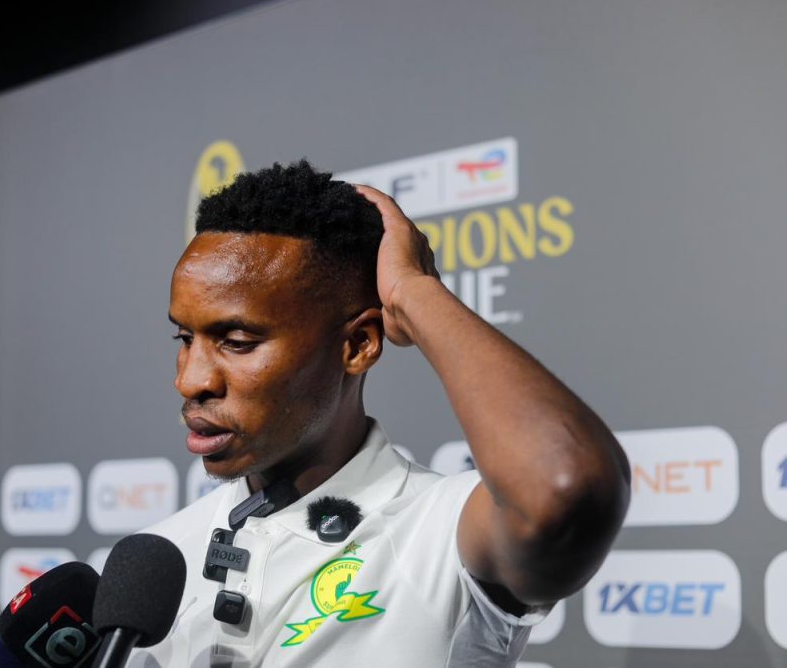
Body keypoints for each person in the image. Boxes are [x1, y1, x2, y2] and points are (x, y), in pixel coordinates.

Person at [132, 161, 629, 667]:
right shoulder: (155, 563)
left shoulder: (437, 532)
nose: (190, 381)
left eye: (237, 342)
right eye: (184, 338)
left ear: (358, 344)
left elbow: (564, 485)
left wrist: (413, 293)